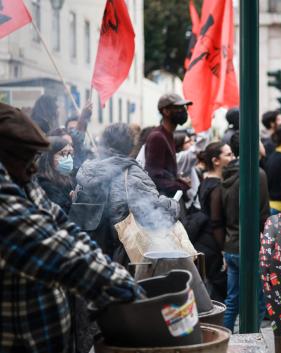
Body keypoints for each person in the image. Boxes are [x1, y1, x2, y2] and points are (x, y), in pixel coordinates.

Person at [0, 103, 145, 353]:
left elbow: (66, 231)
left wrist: (119, 275)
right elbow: (64, 256)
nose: (34, 168)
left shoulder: (20, 181)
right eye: (27, 160)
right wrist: (134, 299)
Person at [76, 123, 180, 263]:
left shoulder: (88, 171)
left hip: (88, 251)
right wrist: (173, 204)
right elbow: (153, 214)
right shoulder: (133, 173)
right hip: (121, 256)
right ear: (131, 146)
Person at [221, 132, 270, 331]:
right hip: (249, 247)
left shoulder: (227, 172)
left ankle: (225, 339)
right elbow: (262, 215)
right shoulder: (256, 173)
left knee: (232, 300)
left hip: (230, 245)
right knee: (257, 301)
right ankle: (252, 340)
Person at [195, 142, 235, 301]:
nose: (232, 158)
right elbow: (216, 221)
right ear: (216, 161)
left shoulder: (205, 181)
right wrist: (223, 249)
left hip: (205, 240)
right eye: (228, 154)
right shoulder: (217, 187)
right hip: (213, 243)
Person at [144, 94, 192, 197]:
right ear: (166, 111)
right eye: (179, 108)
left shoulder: (168, 135)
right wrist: (182, 186)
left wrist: (179, 180)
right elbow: (154, 178)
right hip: (162, 203)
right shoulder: (157, 137)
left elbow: (165, 171)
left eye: (184, 107)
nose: (183, 111)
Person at [36, 137, 75, 214]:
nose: (69, 158)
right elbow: (60, 212)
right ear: (48, 157)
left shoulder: (66, 178)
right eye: (63, 154)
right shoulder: (44, 183)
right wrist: (72, 201)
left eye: (69, 154)